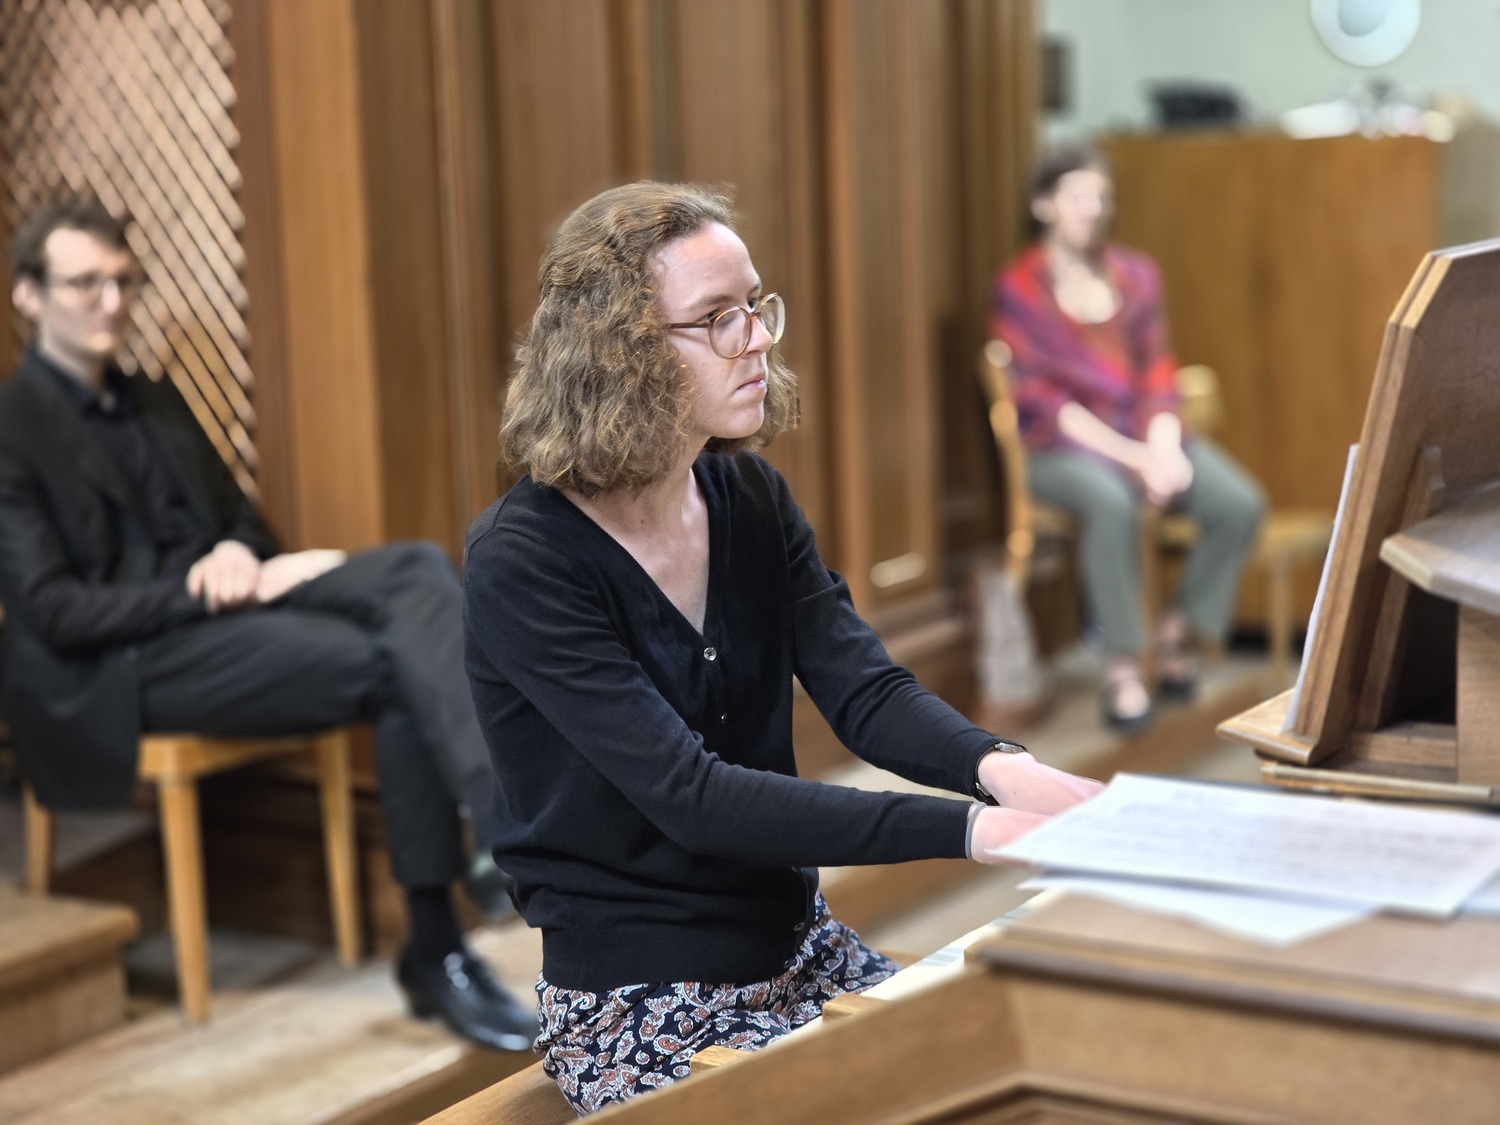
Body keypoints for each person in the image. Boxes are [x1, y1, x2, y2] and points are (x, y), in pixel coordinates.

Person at [462, 181, 1104, 1115]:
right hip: (643, 1000)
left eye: (756, 306)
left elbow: (866, 692)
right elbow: (695, 798)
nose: (759, 337)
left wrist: (1007, 770)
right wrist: (971, 829)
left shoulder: (750, 497)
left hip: (804, 950)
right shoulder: (525, 560)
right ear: (620, 350)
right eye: (717, 318)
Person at [0, 198, 536, 1051]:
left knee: (416, 567)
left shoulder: (155, 400)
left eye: (123, 281)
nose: (111, 301)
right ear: (28, 295)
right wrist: (203, 588)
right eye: (84, 283)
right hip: (120, 663)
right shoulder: (12, 428)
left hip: (225, 617)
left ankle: (497, 836)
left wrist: (236, 553)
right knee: (400, 663)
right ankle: (449, 931)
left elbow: (241, 526)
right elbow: (53, 611)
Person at [991, 145, 1266, 731]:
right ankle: (1121, 668)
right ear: (1043, 205)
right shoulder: (1019, 288)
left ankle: (1174, 634)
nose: (1093, 207)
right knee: (1111, 502)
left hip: (1141, 433)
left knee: (1238, 503)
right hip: (1059, 448)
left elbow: (1158, 372)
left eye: (1101, 195)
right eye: (1078, 194)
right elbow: (1044, 402)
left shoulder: (1136, 276)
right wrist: (1133, 458)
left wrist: (1162, 447)